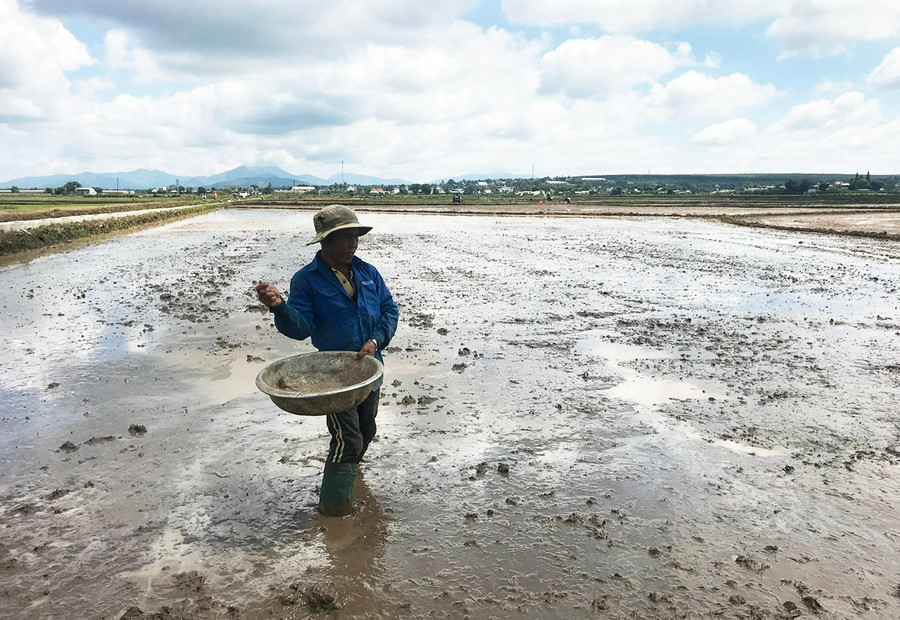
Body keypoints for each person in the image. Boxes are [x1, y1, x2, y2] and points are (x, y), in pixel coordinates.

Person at [255, 205, 399, 517]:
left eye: (355, 236)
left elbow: (389, 310)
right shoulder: (307, 280)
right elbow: (300, 327)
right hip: (335, 379)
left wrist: (375, 340)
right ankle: (334, 512)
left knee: (367, 430)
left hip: (369, 372)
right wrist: (280, 307)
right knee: (347, 439)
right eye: (344, 237)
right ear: (325, 242)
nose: (353, 243)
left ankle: (347, 476)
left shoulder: (368, 272)